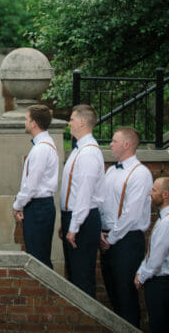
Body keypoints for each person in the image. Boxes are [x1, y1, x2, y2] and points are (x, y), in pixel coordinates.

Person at [99, 127, 153, 327]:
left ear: (127, 145)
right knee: (113, 292)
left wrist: (111, 238)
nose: (110, 144)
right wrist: (100, 233)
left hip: (127, 241)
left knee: (126, 295)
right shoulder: (111, 170)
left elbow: (131, 213)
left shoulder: (141, 173)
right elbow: (102, 203)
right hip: (106, 239)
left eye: (114, 141)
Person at [59, 104, 104, 297]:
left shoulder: (88, 153)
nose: (69, 123)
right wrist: (67, 221)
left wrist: (74, 226)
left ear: (82, 122)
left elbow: (84, 194)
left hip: (84, 220)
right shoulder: (79, 150)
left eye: (72, 119)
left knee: (82, 276)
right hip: (74, 217)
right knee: (74, 275)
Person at [12, 104, 59, 268]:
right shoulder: (44, 145)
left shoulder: (41, 149)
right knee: (39, 256)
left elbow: (31, 185)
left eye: (26, 119)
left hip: (39, 207)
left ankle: (49, 293)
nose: (25, 122)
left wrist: (17, 205)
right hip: (40, 206)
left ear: (34, 123)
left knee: (39, 260)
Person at [135, 176, 169, 333]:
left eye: (154, 190)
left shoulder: (167, 222)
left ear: (165, 195)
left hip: (162, 283)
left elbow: (157, 258)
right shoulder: (164, 218)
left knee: (160, 325)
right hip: (160, 281)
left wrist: (142, 277)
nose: (150, 193)